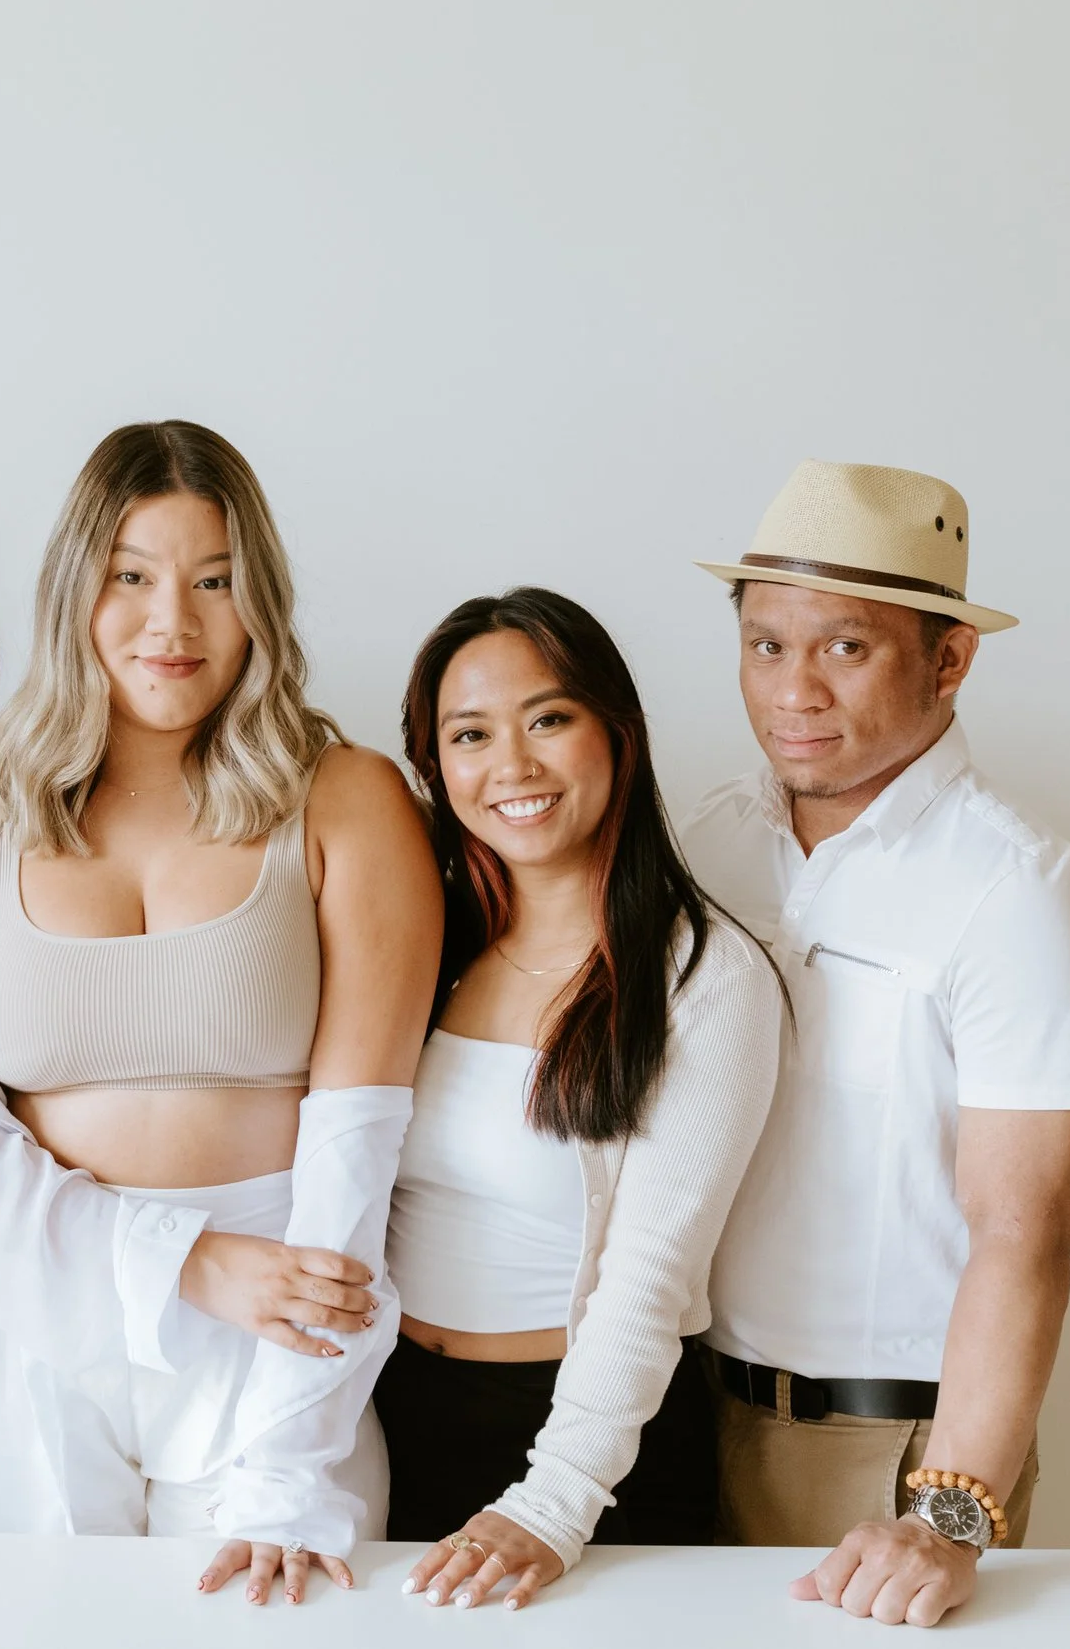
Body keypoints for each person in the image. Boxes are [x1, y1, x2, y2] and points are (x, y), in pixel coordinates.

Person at [0, 420, 439, 1604]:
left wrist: (294, 1451)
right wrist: (184, 1263)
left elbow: (357, 1150)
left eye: (213, 581)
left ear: (258, 600)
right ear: (75, 591)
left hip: (280, 1323)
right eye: (130, 576)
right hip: (17, 1321)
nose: (170, 622)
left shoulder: (347, 799)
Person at [684, 459, 1070, 1627]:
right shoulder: (704, 845)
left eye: (845, 646)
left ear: (948, 659)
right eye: (765, 644)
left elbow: (1026, 1230)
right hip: (684, 1412)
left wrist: (947, 1516)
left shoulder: (1015, 892)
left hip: (889, 1452)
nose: (794, 689)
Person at [386, 589, 782, 1612]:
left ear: (617, 732)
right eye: (470, 734)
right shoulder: (425, 950)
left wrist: (553, 1502)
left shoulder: (702, 976)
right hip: (394, 1421)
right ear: (434, 765)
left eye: (548, 719)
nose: (511, 765)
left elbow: (649, 1276)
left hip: (587, 1450)